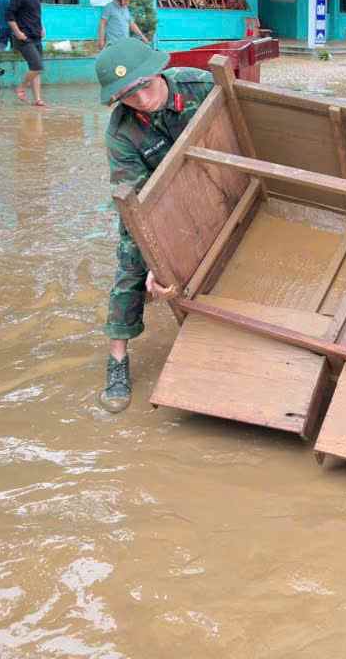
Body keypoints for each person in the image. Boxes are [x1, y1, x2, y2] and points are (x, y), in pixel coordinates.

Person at [94, 38, 215, 412]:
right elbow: (139, 203)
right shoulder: (121, 135)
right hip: (156, 203)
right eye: (129, 96)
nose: (142, 100)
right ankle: (116, 360)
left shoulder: (202, 86)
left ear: (158, 71)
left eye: (145, 86)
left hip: (216, 180)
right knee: (131, 265)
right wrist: (157, 258)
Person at [9, 0, 46, 106]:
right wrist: (18, 33)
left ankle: (37, 99)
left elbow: (35, 16)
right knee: (37, 66)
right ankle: (21, 88)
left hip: (36, 37)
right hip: (25, 39)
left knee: (37, 70)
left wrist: (42, 27)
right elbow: (10, 16)